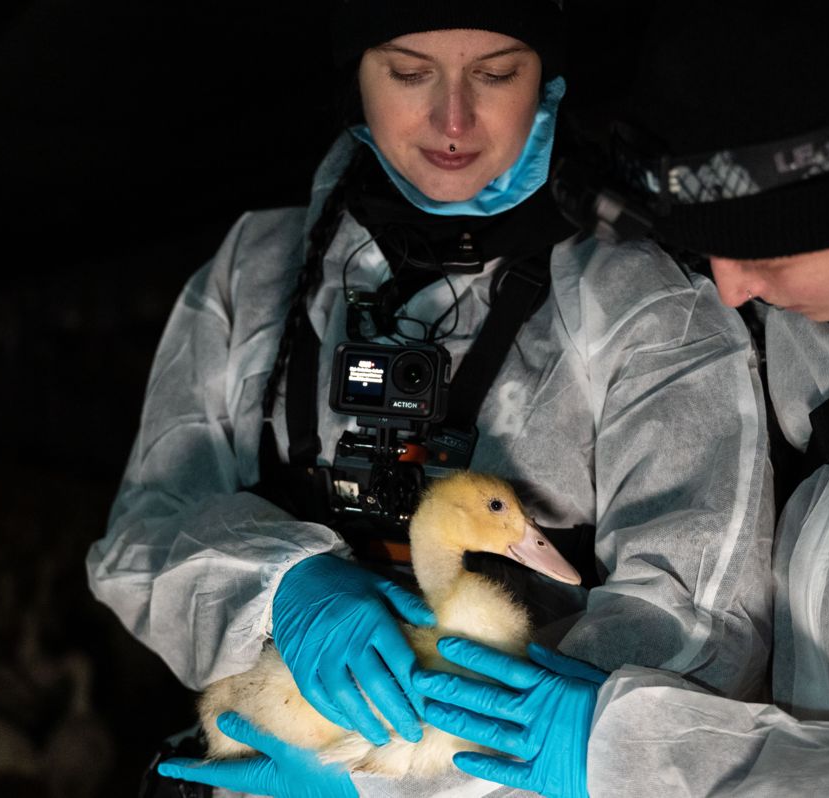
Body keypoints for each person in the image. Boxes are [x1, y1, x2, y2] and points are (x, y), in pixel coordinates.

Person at [87, 1, 774, 795]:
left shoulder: (647, 305)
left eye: (497, 73)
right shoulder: (257, 272)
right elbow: (140, 540)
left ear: (548, 78)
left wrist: (390, 789)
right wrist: (279, 586)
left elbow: (697, 632)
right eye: (410, 72)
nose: (453, 119)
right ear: (356, 76)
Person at [413, 2, 829, 794]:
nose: (730, 292)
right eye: (713, 249)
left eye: (763, 251)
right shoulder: (814, 315)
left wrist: (649, 758)